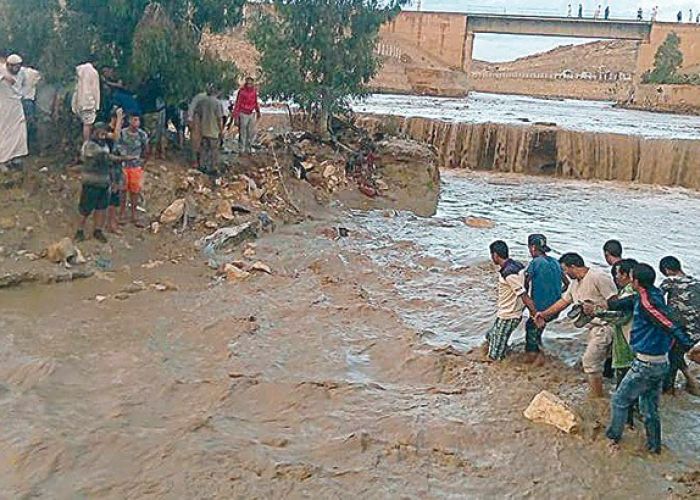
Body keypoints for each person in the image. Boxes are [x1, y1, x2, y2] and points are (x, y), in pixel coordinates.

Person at [605, 263, 694, 454]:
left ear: (635, 281)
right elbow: (627, 302)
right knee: (649, 409)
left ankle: (612, 439)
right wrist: (608, 303)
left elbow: (669, 324)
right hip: (660, 362)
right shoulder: (653, 294)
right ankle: (654, 447)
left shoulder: (648, 303)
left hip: (645, 364)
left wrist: (689, 346)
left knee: (619, 401)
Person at [536, 253, 618, 398]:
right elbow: (563, 302)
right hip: (592, 327)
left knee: (589, 362)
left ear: (573, 267)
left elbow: (615, 301)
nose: (565, 274)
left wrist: (596, 307)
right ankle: (605, 392)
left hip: (606, 326)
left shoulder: (598, 277)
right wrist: (543, 314)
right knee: (600, 364)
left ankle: (597, 398)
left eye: (565, 270)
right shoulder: (575, 284)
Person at [587, 259, 638, 426]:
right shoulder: (638, 293)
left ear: (625, 275)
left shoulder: (629, 294)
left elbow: (619, 317)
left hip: (627, 347)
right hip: (636, 346)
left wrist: (595, 311)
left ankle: (624, 427)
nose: (615, 278)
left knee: (623, 393)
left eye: (617, 274)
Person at [659, 256, 700, 395]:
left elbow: (655, 298)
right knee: (676, 354)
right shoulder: (696, 282)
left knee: (672, 357)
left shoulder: (669, 281)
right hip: (696, 331)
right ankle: (690, 380)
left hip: (680, 331)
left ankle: (670, 390)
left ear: (666, 270)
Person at [485, 241, 532, 361]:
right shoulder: (517, 265)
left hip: (509, 315)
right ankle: (505, 350)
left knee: (494, 357)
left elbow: (523, 294)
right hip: (507, 313)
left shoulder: (509, 274)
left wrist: (536, 314)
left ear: (495, 255)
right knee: (490, 336)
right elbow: (526, 282)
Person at [525, 234, 566, 364]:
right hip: (555, 308)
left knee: (530, 328)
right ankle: (539, 347)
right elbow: (568, 284)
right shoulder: (556, 262)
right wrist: (556, 293)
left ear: (532, 248)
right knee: (538, 330)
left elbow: (524, 285)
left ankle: (532, 361)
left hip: (540, 310)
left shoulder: (535, 263)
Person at [75, 123, 114, 243]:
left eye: (104, 131)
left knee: (101, 208)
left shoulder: (105, 145)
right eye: (100, 131)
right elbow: (104, 157)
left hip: (104, 181)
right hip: (91, 182)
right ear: (94, 132)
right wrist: (126, 158)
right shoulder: (89, 145)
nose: (103, 134)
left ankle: (98, 230)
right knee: (85, 209)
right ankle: (79, 231)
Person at [117, 114, 149, 227]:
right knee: (123, 190)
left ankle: (134, 214)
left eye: (138, 119)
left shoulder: (142, 135)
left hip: (136, 166)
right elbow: (117, 147)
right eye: (134, 119)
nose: (137, 122)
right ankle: (121, 213)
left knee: (135, 190)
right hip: (124, 165)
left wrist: (143, 162)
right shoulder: (122, 133)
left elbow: (146, 149)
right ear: (129, 120)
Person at [0, 54, 28, 167]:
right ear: (8, 65)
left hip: (16, 106)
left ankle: (16, 157)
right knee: (4, 132)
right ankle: (3, 159)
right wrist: (4, 77)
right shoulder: (2, 71)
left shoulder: (22, 73)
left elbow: (23, 86)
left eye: (18, 66)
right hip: (4, 106)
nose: (16, 69)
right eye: (13, 66)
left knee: (19, 132)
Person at [192, 86, 224, 175]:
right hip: (214, 131)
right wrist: (221, 132)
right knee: (214, 150)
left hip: (204, 130)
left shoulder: (202, 102)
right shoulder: (218, 103)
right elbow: (219, 119)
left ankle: (202, 166)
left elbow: (197, 115)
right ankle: (213, 167)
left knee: (204, 149)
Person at [71, 62, 101, 145]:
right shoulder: (93, 72)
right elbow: (95, 89)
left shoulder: (79, 71)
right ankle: (86, 145)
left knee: (81, 124)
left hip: (79, 102)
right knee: (87, 125)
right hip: (89, 102)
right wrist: (97, 105)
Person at [232, 77, 261, 155]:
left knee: (251, 132)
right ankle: (241, 149)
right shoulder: (241, 92)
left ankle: (249, 149)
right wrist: (235, 115)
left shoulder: (254, 92)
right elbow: (237, 104)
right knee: (243, 132)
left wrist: (258, 112)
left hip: (251, 113)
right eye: (248, 83)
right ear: (246, 83)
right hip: (243, 113)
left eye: (251, 83)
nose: (249, 85)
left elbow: (255, 102)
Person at [188, 90, 208, 168]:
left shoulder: (211, 99)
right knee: (195, 142)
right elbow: (191, 109)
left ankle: (201, 162)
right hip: (197, 120)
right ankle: (195, 161)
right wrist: (190, 121)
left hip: (205, 121)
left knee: (203, 142)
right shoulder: (199, 97)